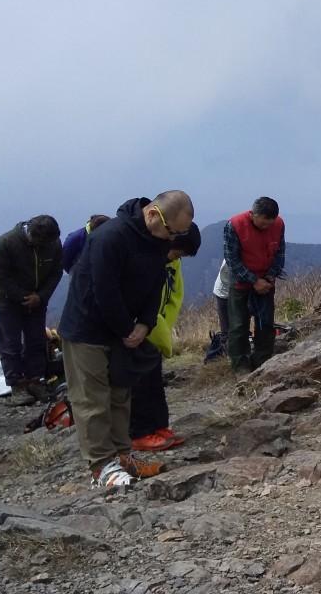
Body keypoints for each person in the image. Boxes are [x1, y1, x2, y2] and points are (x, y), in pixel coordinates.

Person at [59, 191, 193, 488]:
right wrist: (125, 328)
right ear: (153, 214)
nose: (173, 239)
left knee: (120, 393)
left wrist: (145, 324)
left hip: (126, 329)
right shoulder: (111, 237)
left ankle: (122, 456)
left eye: (180, 234)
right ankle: (101, 466)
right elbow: (103, 288)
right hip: (87, 328)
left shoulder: (157, 240)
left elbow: (156, 283)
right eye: (173, 231)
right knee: (92, 399)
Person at [131, 226, 201, 451]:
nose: (177, 258)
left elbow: (174, 298)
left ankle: (159, 427)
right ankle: (139, 434)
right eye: (177, 252)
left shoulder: (171, 264)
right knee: (138, 385)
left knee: (155, 383)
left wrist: (163, 331)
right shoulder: (144, 259)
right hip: (135, 331)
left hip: (156, 332)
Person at [0, 215, 63, 406]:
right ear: (31, 234)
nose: (43, 245)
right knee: (10, 344)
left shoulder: (53, 244)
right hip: (8, 301)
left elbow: (56, 272)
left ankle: (35, 380)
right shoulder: (5, 243)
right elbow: (0, 276)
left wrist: (40, 297)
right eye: (40, 242)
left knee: (36, 341)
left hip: (38, 301)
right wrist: (23, 297)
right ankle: (17, 386)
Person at [225, 197, 285, 372]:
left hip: (266, 281)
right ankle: (240, 366)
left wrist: (269, 277)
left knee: (265, 323)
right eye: (262, 224)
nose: (266, 228)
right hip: (241, 282)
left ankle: (263, 361)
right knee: (238, 325)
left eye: (269, 224)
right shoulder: (234, 225)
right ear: (252, 214)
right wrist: (254, 280)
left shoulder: (279, 224)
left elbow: (280, 252)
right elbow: (232, 260)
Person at [205, 258, 232, 363]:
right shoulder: (235, 248)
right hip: (225, 292)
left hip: (232, 291)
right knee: (228, 331)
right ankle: (229, 361)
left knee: (236, 329)